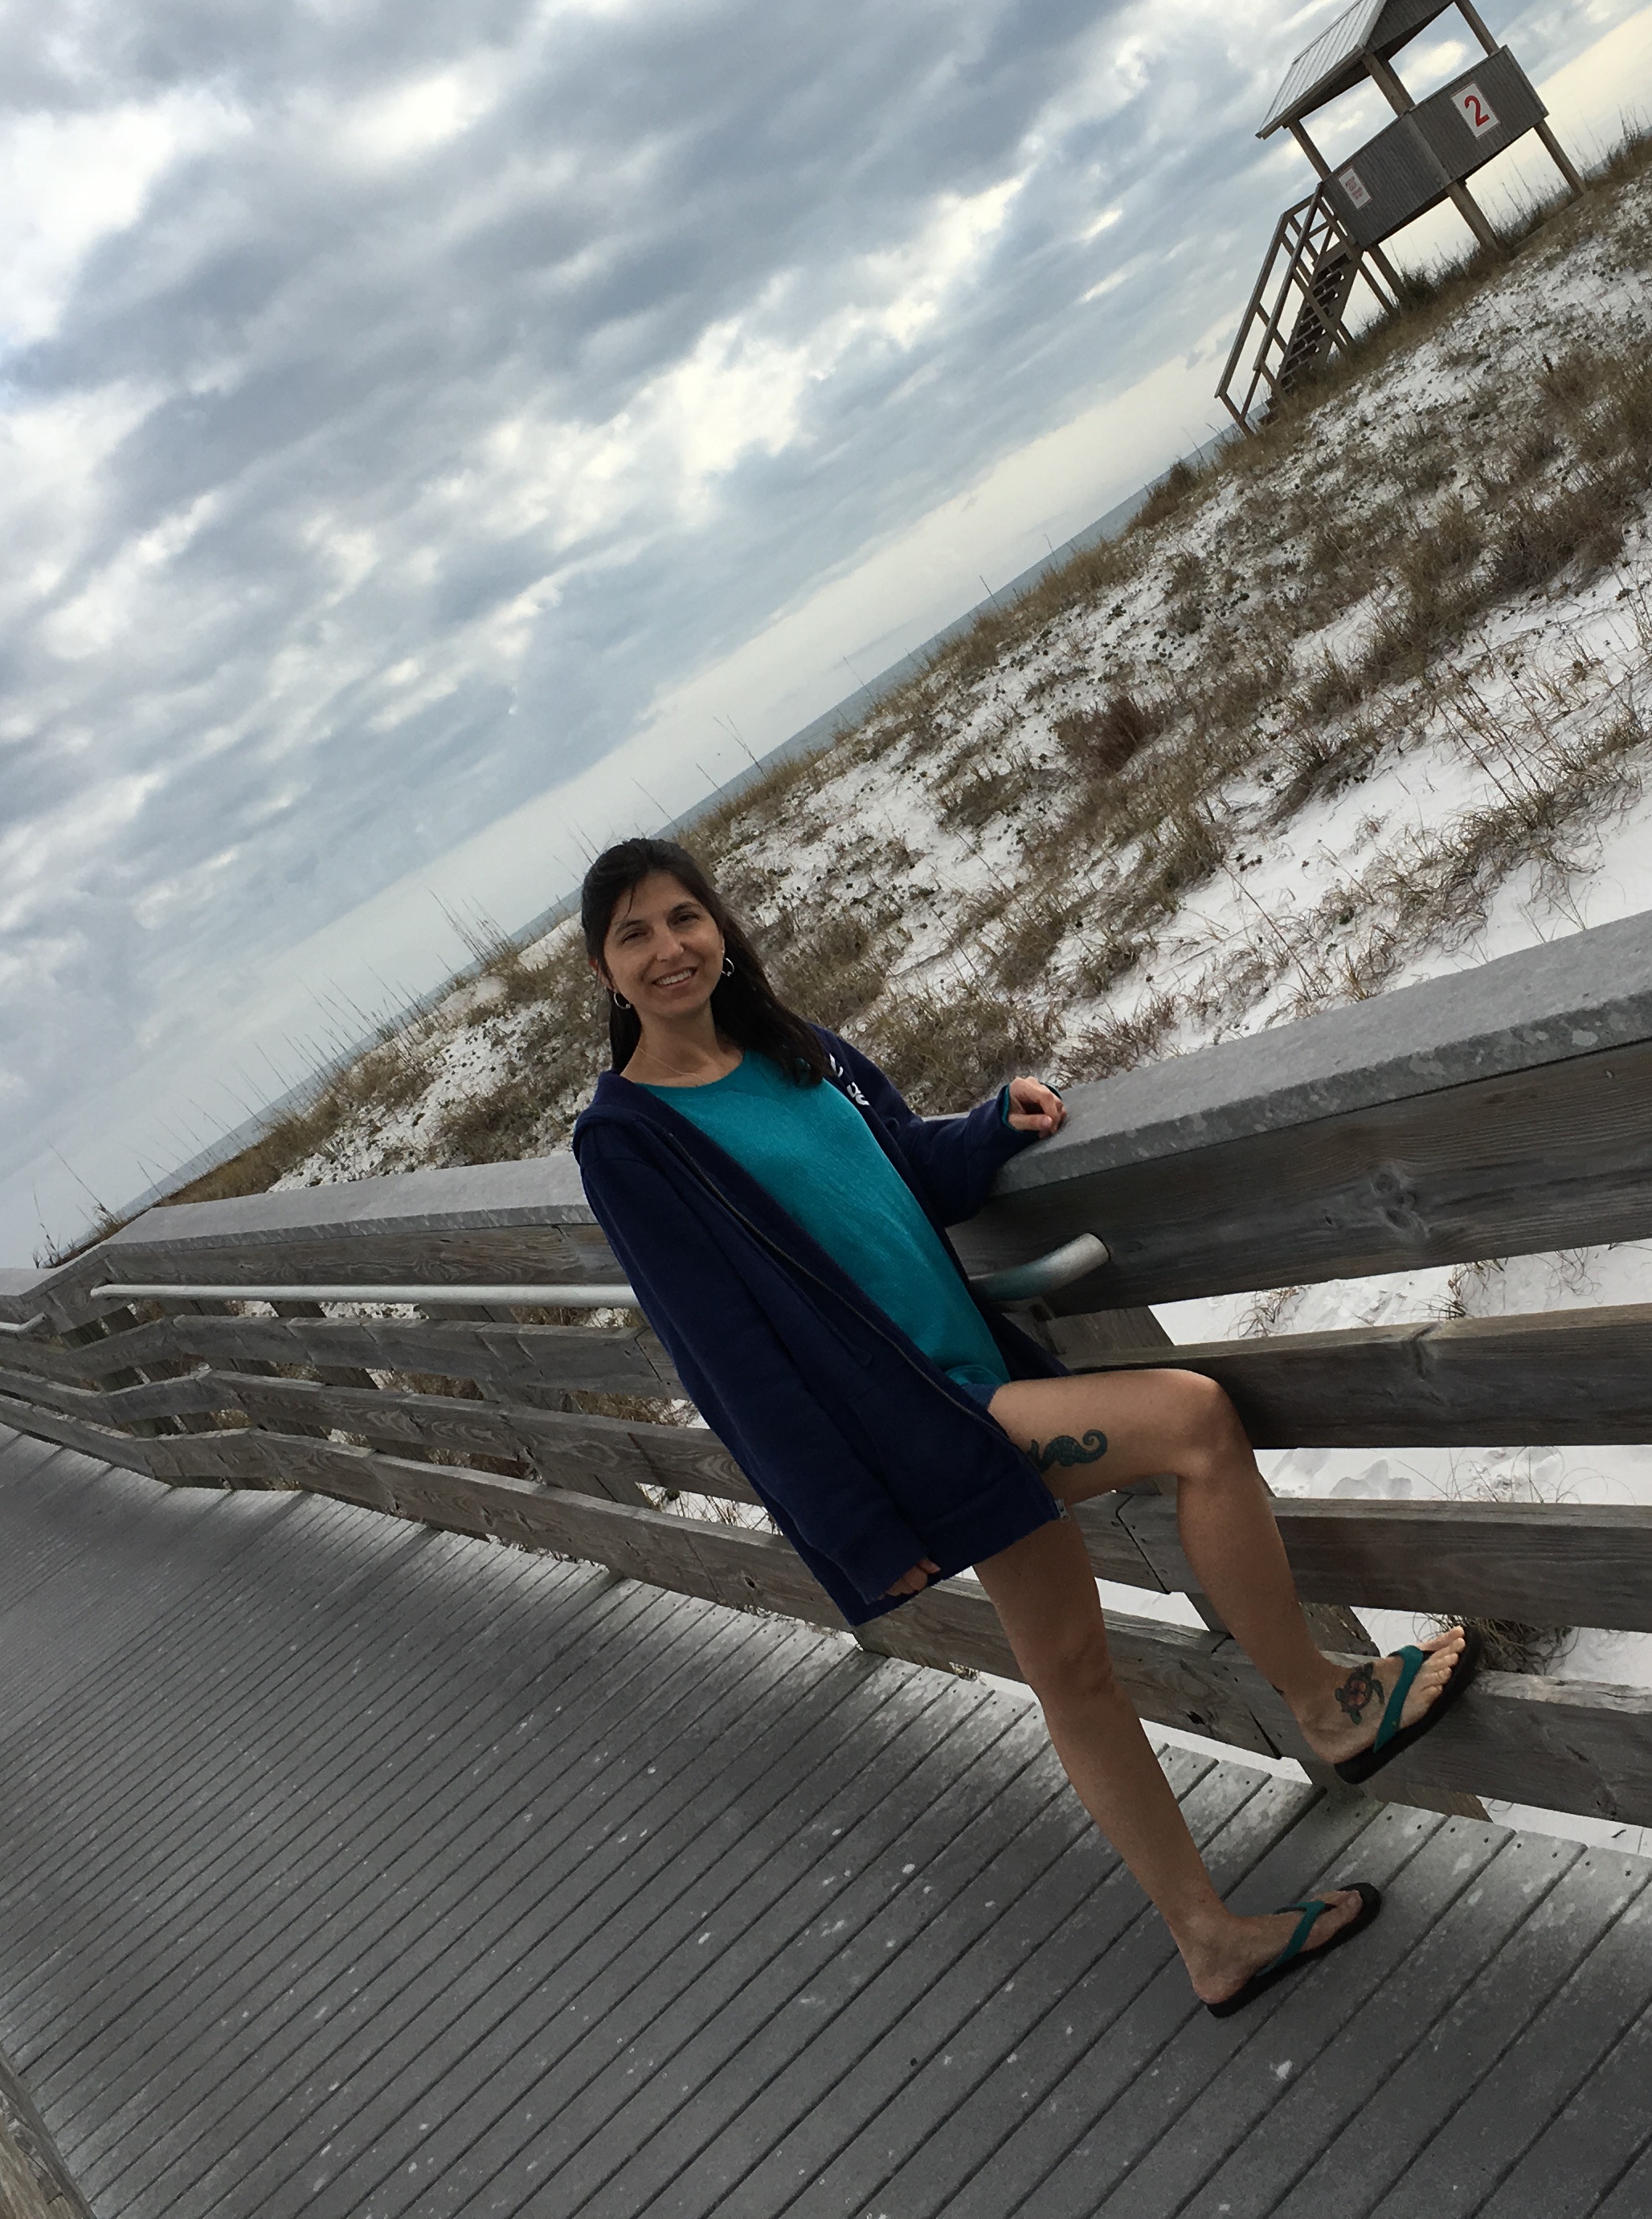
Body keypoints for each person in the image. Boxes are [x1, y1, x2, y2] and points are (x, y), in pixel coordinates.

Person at [569, 836, 1469, 2016]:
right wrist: (852, 1525)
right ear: (604, 969)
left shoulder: (797, 1048)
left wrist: (991, 1127)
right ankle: (1327, 1705)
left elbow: (904, 1167)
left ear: (719, 926)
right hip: (920, 1425)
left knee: (1071, 1670)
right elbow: (724, 1355)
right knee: (1194, 1419)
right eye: (633, 934)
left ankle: (1212, 1942)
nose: (668, 948)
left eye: (684, 917)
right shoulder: (629, 1140)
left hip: (973, 1375)